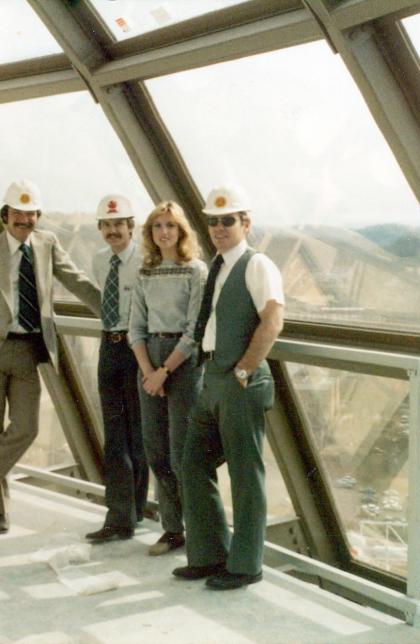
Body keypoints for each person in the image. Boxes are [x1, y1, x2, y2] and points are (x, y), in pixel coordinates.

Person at [0, 181, 101, 533]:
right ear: (5, 216)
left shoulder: (47, 245)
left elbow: (76, 280)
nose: (24, 220)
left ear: (37, 217)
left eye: (31, 214)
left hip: (29, 349)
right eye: (18, 214)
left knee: (26, 429)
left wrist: (111, 310)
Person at [173, 184, 285, 590]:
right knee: (193, 464)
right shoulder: (218, 267)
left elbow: (273, 320)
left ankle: (246, 565)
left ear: (246, 223)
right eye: (214, 221)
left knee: (244, 473)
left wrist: (243, 370)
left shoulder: (257, 266)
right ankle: (208, 555)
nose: (219, 227)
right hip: (214, 380)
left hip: (240, 381)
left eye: (228, 220)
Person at [129, 201, 206, 556]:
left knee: (181, 453)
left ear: (181, 232)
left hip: (182, 364)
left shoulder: (195, 272)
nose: (164, 232)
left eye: (170, 226)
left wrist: (163, 372)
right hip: (151, 363)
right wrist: (148, 372)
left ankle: (199, 531)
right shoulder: (144, 274)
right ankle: (172, 529)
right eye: (157, 226)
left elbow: (194, 332)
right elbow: (136, 328)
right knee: (155, 449)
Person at [84, 194, 149, 544]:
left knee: (137, 435)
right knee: (114, 435)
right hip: (108, 345)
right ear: (100, 229)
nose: (113, 231)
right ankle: (121, 516)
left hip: (136, 349)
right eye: (106, 225)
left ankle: (132, 511)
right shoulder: (98, 261)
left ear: (130, 227)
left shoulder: (145, 260)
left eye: (118, 225)